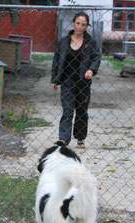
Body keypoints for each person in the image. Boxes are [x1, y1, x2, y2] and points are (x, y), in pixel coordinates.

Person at [51, 11, 101, 149]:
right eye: (78, 23)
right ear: (74, 23)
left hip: (83, 82)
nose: (80, 27)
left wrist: (91, 69)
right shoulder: (64, 42)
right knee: (67, 110)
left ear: (86, 26)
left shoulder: (90, 42)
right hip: (67, 82)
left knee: (81, 111)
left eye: (83, 25)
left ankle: (80, 138)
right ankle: (63, 139)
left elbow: (97, 57)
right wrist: (55, 80)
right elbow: (56, 60)